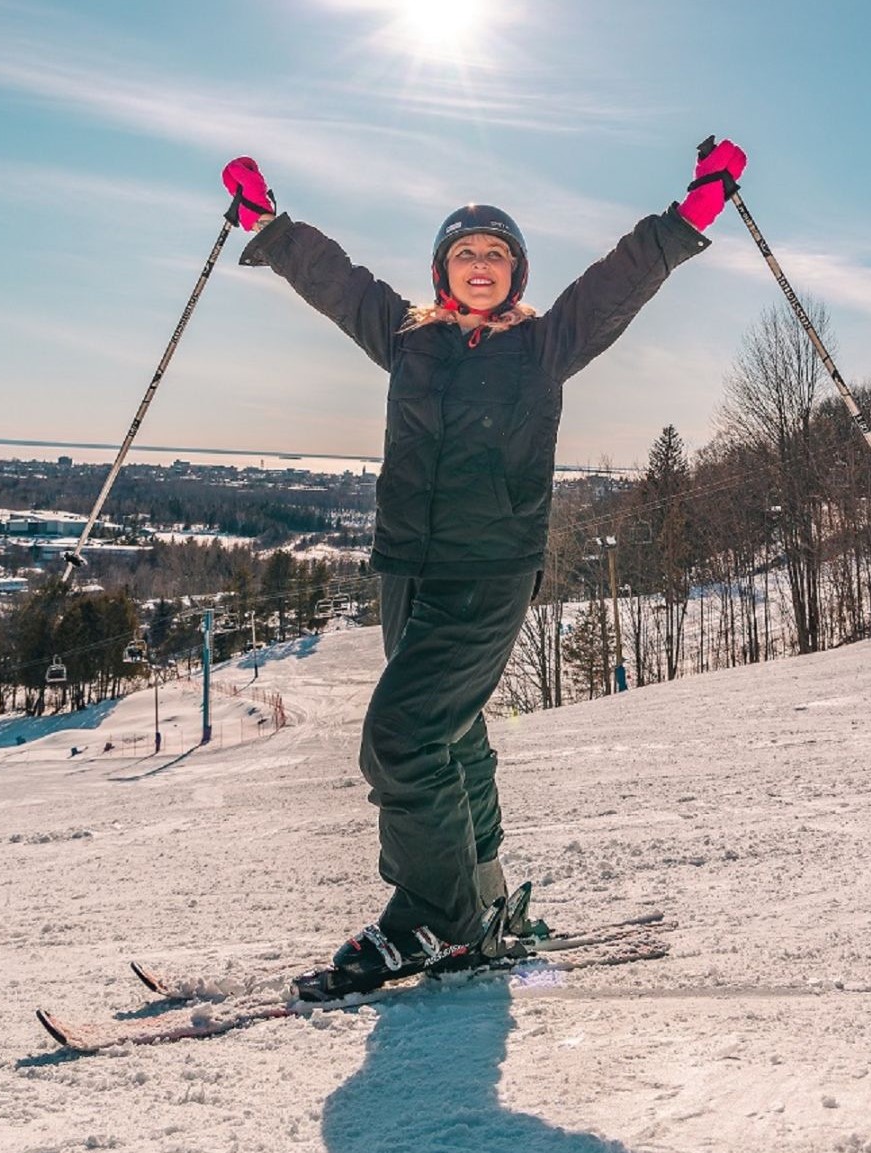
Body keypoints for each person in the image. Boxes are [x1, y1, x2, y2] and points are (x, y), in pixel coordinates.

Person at [223, 139, 747, 993]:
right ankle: (480, 895)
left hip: (488, 570)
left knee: (401, 737)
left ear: (515, 272)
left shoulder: (544, 345)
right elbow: (336, 279)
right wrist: (270, 227)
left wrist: (688, 214)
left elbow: (616, 283)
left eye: (494, 254)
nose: (478, 265)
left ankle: (434, 918)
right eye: (463, 253)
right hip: (405, 565)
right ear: (440, 270)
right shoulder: (404, 336)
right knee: (452, 733)